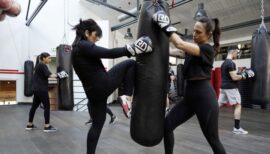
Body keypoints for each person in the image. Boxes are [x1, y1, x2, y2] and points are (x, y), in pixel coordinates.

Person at [71, 18, 152, 154]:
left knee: (97, 124)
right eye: (95, 36)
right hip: (102, 85)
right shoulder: (83, 45)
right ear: (87, 33)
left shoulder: (76, 50)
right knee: (130, 64)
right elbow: (108, 53)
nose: (96, 40)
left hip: (92, 94)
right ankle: (126, 96)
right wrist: (131, 48)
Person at [153, 11, 226, 154]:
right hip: (189, 98)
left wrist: (166, 24)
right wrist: (155, 46)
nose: (194, 34)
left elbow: (179, 44)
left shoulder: (207, 50)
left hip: (205, 99)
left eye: (198, 32)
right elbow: (175, 51)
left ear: (209, 34)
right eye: (194, 30)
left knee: (213, 140)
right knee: (167, 126)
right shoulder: (191, 51)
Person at [25, 52, 68, 133]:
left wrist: (58, 74)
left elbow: (48, 75)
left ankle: (29, 125)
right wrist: (62, 74)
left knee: (34, 107)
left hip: (37, 89)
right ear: (44, 58)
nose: (50, 59)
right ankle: (47, 126)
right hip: (41, 89)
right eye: (49, 58)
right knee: (47, 107)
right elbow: (51, 76)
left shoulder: (39, 66)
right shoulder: (42, 65)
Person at [218, 46, 255, 135]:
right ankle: (237, 128)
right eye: (237, 53)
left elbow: (230, 75)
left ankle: (206, 120)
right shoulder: (231, 63)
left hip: (223, 87)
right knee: (238, 105)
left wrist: (242, 73)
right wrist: (246, 75)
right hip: (231, 88)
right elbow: (234, 77)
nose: (237, 55)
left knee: (218, 104)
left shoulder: (224, 63)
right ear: (233, 52)